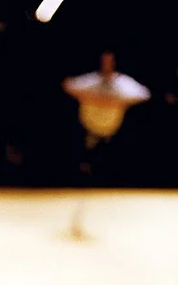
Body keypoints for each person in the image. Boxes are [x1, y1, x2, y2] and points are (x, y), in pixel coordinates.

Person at [61, 51, 150, 235]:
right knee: (86, 171)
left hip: (110, 131)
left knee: (107, 174)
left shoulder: (121, 82)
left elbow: (144, 94)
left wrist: (117, 101)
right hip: (90, 129)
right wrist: (91, 97)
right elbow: (68, 85)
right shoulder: (92, 80)